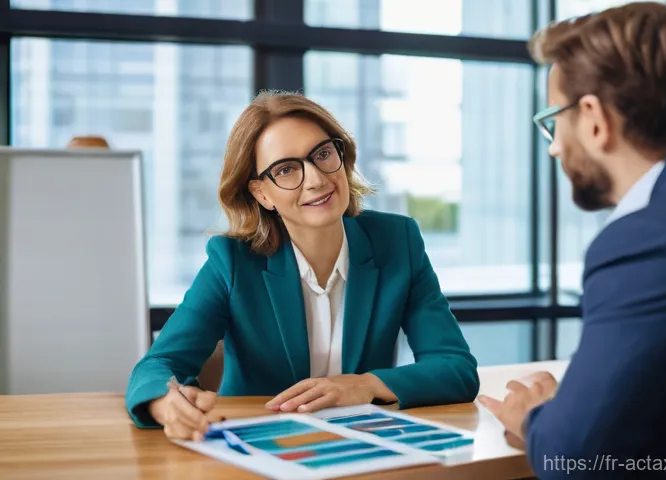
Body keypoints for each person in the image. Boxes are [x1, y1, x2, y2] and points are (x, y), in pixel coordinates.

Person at [479, 2, 666, 478]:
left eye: (554, 120)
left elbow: (573, 455)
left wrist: (537, 415)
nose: (553, 145)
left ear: (593, 119)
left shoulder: (653, 240)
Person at [125, 91, 479, 440]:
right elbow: (157, 367)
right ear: (262, 194)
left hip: (361, 446)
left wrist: (365, 385)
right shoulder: (232, 261)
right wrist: (166, 404)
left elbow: (456, 368)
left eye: (323, 154)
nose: (316, 179)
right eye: (286, 169)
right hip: (259, 446)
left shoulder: (397, 241)